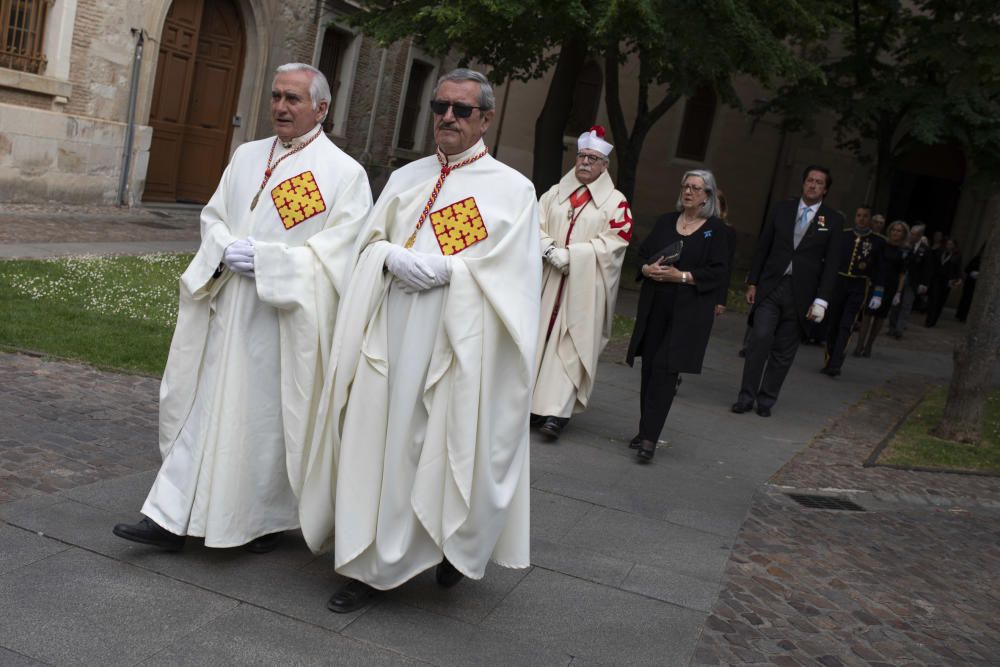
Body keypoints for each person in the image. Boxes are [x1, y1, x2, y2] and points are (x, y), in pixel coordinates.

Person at [112, 64, 372, 552]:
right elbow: (214, 215)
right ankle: (169, 517)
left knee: (262, 424)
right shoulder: (248, 155)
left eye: (293, 99)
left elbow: (342, 254)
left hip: (281, 320)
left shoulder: (345, 174)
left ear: (321, 108)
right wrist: (223, 247)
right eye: (275, 96)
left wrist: (273, 263)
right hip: (228, 304)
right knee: (207, 409)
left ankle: (258, 522)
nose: (280, 107)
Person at [312, 69, 540, 613]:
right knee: (380, 445)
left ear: (486, 118)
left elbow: (516, 279)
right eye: (441, 106)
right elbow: (365, 244)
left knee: (438, 448)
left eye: (462, 110)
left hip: (455, 348)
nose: (448, 118)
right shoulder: (405, 177)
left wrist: (454, 274)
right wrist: (387, 256)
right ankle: (373, 564)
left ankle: (447, 548)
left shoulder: (514, 190)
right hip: (389, 334)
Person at [531, 125, 632, 440]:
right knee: (540, 340)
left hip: (586, 287)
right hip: (548, 280)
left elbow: (615, 242)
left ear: (604, 165)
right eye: (582, 156)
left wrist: (574, 256)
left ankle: (557, 414)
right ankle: (533, 405)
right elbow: (534, 223)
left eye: (592, 158)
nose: (585, 162)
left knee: (570, 346)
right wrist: (548, 249)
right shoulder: (554, 193)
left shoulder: (616, 203)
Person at [625, 170, 728, 463]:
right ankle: (647, 427)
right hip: (655, 306)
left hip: (687, 313)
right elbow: (642, 255)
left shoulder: (716, 231)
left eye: (696, 188)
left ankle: (649, 439)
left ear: (707, 195)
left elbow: (718, 272)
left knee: (665, 370)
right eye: (685, 186)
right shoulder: (665, 222)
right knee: (649, 369)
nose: (688, 192)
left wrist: (681, 276)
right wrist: (647, 270)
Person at [732, 166, 844, 416]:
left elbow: (832, 264)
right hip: (772, 285)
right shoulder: (782, 209)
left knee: (784, 349)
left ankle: (766, 400)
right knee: (759, 338)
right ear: (803, 183)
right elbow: (764, 246)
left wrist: (822, 300)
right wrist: (753, 281)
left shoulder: (833, 220)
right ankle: (745, 396)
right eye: (809, 180)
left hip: (802, 293)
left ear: (825, 189)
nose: (813, 185)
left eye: (818, 183)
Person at [821, 205, 886, 377]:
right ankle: (829, 359)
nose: (861, 219)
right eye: (858, 215)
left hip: (859, 286)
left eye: (865, 216)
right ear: (855, 217)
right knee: (833, 322)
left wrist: (878, 294)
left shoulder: (878, 242)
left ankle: (836, 363)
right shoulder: (844, 236)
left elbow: (880, 270)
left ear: (870, 219)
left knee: (846, 324)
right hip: (839, 282)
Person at [856, 220, 908, 357]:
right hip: (875, 283)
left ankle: (868, 346)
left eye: (899, 231)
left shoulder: (903, 252)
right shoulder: (881, 245)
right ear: (889, 231)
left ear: (903, 234)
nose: (896, 232)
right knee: (867, 315)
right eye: (894, 230)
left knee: (879, 318)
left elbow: (902, 274)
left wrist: (898, 292)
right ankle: (859, 345)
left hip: (890, 286)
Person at [887, 223, 928, 337]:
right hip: (900, 278)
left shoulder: (924, 249)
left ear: (920, 236)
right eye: (911, 234)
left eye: (915, 235)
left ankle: (899, 329)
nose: (912, 236)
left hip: (913, 281)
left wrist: (924, 283)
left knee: (906, 305)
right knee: (895, 304)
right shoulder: (904, 246)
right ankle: (892, 326)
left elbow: (926, 268)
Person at [925, 237, 962, 327]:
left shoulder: (956, 256)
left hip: (947, 281)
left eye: (951, 244)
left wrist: (957, 279)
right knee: (934, 299)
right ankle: (929, 320)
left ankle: (934, 320)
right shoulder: (939, 252)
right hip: (936, 279)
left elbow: (957, 270)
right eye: (947, 243)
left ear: (954, 245)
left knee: (941, 301)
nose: (949, 246)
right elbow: (931, 261)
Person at [714, 188, 738, 318]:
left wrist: (721, 299)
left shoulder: (727, 232)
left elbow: (726, 266)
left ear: (722, 208)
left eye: (715, 204)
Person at [955, 245, 983, 322]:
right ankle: (961, 315)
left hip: (977, 284)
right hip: (970, 283)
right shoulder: (976, 259)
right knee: (966, 298)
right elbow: (967, 269)